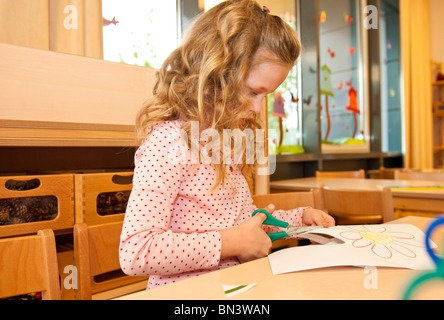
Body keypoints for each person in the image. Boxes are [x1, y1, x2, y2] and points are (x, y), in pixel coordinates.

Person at [119, 0, 335, 289]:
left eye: (266, 96)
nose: (258, 109)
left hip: (234, 287)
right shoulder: (168, 142)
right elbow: (137, 252)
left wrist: (298, 220)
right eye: (252, 92)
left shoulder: (225, 139)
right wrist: (232, 242)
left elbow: (239, 223)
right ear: (214, 74)